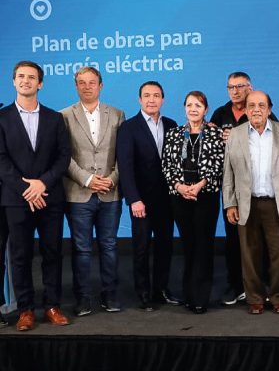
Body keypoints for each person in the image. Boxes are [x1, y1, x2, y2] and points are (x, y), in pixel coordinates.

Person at [0, 61, 71, 331]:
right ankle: (25, 310)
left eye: (31, 77)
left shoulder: (55, 118)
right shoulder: (2, 118)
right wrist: (26, 189)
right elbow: (1, 160)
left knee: (52, 253)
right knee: (20, 255)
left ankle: (52, 306)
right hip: (15, 199)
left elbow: (63, 157)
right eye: (20, 76)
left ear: (40, 83)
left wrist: (42, 184)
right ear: (13, 81)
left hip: (50, 196)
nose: (25, 81)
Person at [223, 91, 279, 314]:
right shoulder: (235, 135)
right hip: (246, 203)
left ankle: (278, 297)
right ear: (245, 110)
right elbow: (228, 171)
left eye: (261, 105)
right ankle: (254, 298)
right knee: (249, 254)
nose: (256, 109)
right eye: (251, 105)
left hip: (276, 202)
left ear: (269, 109)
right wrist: (230, 203)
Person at [61, 67, 125, 315]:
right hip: (78, 193)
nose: (87, 86)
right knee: (82, 249)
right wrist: (87, 179)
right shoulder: (64, 116)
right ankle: (83, 299)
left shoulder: (117, 114)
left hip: (110, 192)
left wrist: (111, 179)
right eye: (81, 82)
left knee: (109, 246)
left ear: (101, 85)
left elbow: (123, 155)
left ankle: (110, 296)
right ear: (76, 86)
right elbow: (63, 156)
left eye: (92, 82)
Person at [210, 72, 278, 306]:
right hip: (234, 187)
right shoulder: (220, 113)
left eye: (240, 86)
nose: (235, 91)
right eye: (231, 87)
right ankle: (235, 285)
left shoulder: (262, 110)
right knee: (233, 239)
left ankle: (264, 285)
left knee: (264, 241)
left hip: (263, 188)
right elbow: (212, 147)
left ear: (250, 87)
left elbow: (276, 138)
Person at [116, 81, 180, 311]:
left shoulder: (172, 125)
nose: (151, 99)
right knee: (141, 248)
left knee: (165, 246)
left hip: (167, 200)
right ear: (139, 100)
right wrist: (134, 199)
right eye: (147, 95)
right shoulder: (128, 128)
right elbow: (125, 167)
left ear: (163, 99)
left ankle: (161, 290)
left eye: (156, 95)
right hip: (141, 200)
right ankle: (143, 293)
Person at [162, 91, 224, 314]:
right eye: (189, 105)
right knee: (188, 245)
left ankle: (201, 297)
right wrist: (179, 186)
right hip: (180, 196)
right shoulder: (174, 134)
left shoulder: (215, 133)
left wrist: (199, 185)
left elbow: (219, 163)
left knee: (204, 245)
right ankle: (188, 294)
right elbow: (167, 165)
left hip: (205, 196)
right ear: (184, 108)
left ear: (206, 109)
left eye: (198, 105)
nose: (193, 109)